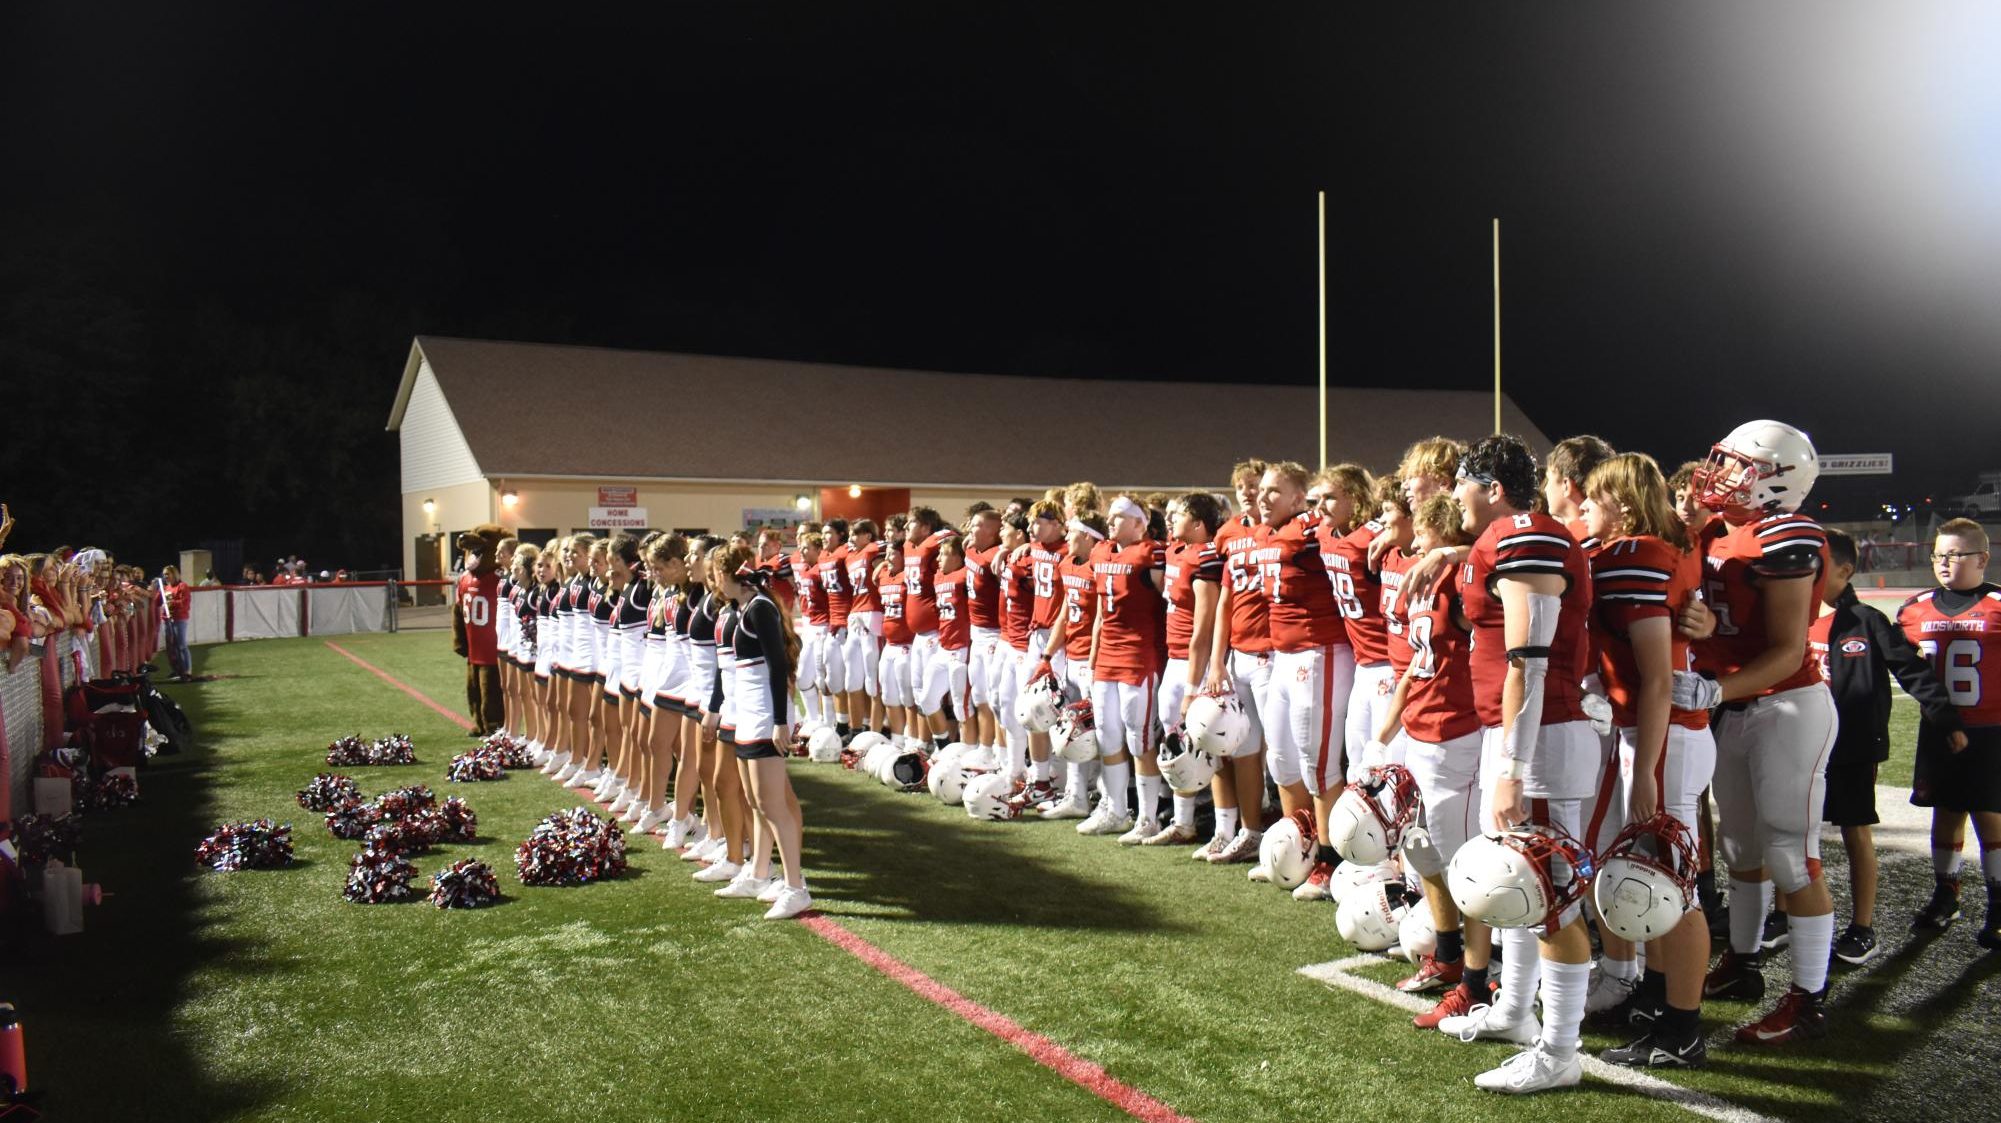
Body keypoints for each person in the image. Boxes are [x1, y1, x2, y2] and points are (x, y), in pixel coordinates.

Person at [1432, 435, 1597, 1095]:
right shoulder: (1509, 534)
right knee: (1521, 888)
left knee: (1552, 898)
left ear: (1491, 487)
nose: (1454, 498)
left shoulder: (1525, 535)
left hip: (1542, 739)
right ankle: (1513, 1011)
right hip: (1521, 733)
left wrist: (1512, 765)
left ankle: (1559, 1050)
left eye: (1462, 485)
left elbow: (1528, 656)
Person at [1683, 420, 1840, 1045]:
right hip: (1737, 705)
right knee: (1741, 851)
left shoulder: (1788, 537)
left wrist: (1717, 688)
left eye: (1736, 465)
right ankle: (1743, 964)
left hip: (1786, 705)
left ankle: (1808, 998)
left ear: (1775, 479)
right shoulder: (1722, 529)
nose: (1719, 475)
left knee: (1789, 856)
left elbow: (1784, 649)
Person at [1575, 453, 1714, 1068]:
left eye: (1593, 498)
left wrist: (1646, 771)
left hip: (1665, 735)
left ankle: (1684, 1029)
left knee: (1676, 886)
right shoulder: (1627, 552)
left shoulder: (1639, 557)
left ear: (1623, 504)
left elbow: (1657, 679)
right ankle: (1660, 1005)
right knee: (1654, 881)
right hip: (1645, 730)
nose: (1582, 509)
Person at [1809, 529, 1960, 963]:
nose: (1807, 572)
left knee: (1855, 831)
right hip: (1799, 745)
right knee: (1794, 835)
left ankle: (1863, 928)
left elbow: (1910, 670)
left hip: (1852, 746)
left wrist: (1945, 717)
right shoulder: (1789, 616)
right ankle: (1785, 917)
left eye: (1818, 564)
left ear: (1845, 570)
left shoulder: (1867, 621)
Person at [1897, 518, 2001, 948]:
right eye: (1939, 554)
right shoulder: (1914, 608)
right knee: (1945, 810)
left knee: (1990, 816)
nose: (1944, 562)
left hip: (1991, 729)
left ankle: (1997, 903)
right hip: (1939, 729)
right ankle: (1946, 893)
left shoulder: (1998, 604)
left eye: (1955, 555)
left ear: (1983, 558)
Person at [708, 548, 813, 920]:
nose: (713, 580)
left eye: (717, 573)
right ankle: (760, 874)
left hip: (766, 714)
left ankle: (795, 886)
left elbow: (779, 664)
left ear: (733, 575)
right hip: (749, 713)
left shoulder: (759, 609)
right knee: (755, 800)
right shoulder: (740, 610)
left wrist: (781, 721)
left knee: (772, 804)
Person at [1200, 460, 1275, 863]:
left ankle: (1276, 834)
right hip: (1238, 652)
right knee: (1233, 745)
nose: (1248, 492)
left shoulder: (1278, 530)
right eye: (1242, 486)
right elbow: (1225, 602)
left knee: (1280, 756)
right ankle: (1239, 830)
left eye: (1255, 485)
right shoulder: (1227, 533)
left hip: (1274, 653)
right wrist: (1217, 661)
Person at [1083, 495, 1167, 841]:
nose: (1112, 522)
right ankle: (1115, 809)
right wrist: (1092, 658)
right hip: (1107, 657)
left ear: (1139, 523)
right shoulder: (1100, 553)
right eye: (1110, 516)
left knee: (1140, 737)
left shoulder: (1151, 553)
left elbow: (1170, 603)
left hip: (1139, 655)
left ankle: (1148, 817)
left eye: (1120, 517)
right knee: (1107, 735)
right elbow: (1101, 612)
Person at [1153, 492, 1223, 848]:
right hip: (1174, 656)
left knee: (1210, 738)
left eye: (1178, 514)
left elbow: (1204, 626)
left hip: (1193, 662)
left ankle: (1215, 814)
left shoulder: (1205, 557)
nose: (1170, 520)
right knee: (1174, 738)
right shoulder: (1174, 551)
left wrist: (1194, 684)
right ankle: (1183, 821)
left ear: (1197, 524)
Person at [451, 525, 505, 737]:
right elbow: (457, 611)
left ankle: (494, 725)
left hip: (493, 648)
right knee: (473, 689)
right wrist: (459, 640)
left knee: (491, 690)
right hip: (474, 647)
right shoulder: (465, 578)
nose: (474, 556)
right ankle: (479, 722)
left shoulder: (500, 578)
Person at [159, 565, 193, 680]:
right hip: (166, 619)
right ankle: (177, 670)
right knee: (170, 647)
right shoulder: (165, 588)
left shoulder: (182, 586)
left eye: (168, 574)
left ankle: (187, 671)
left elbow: (184, 603)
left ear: (174, 574)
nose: (165, 576)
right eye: (164, 574)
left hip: (179, 619)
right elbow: (157, 602)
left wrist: (170, 602)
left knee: (181, 645)